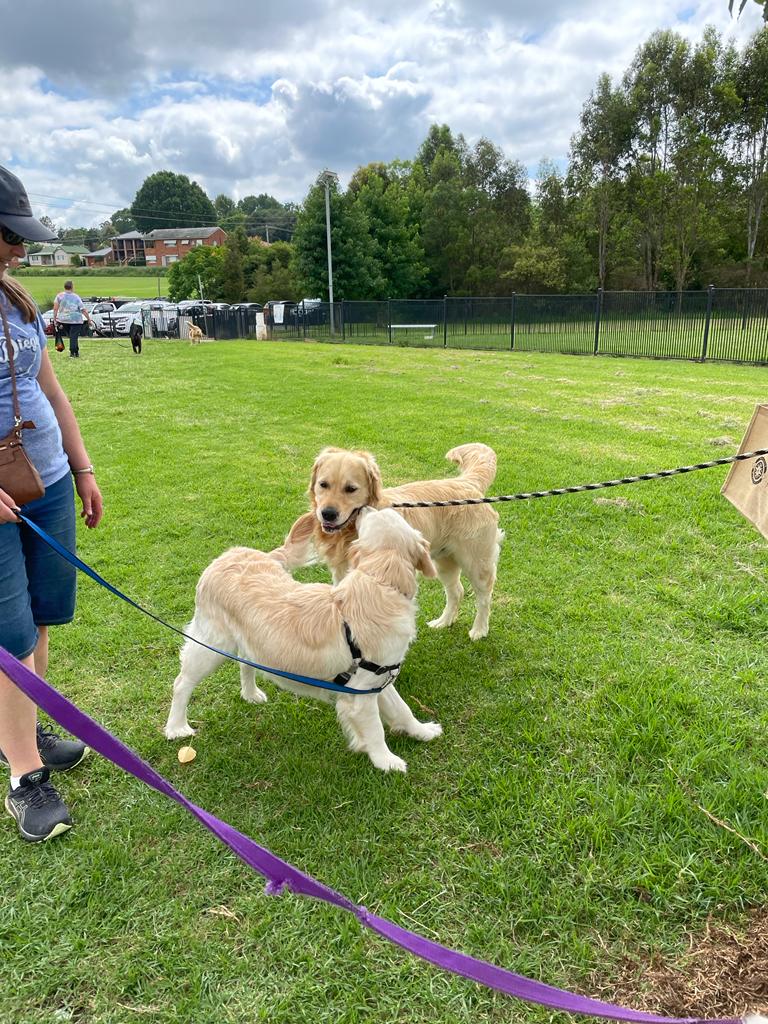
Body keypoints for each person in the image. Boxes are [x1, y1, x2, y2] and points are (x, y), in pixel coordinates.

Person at [0, 164, 103, 841]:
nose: (18, 248)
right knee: (6, 634)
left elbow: (53, 392)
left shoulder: (17, 300)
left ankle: (24, 731)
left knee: (39, 615)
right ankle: (25, 780)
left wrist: (84, 468)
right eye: (7, 235)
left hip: (51, 483)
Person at [53, 280, 91, 358]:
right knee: (74, 336)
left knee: (71, 336)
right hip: (75, 320)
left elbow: (55, 308)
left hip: (63, 320)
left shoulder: (59, 296)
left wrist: (55, 319)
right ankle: (73, 352)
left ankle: (76, 352)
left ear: (65, 287)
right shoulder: (76, 297)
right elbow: (83, 309)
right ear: (72, 287)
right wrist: (88, 319)